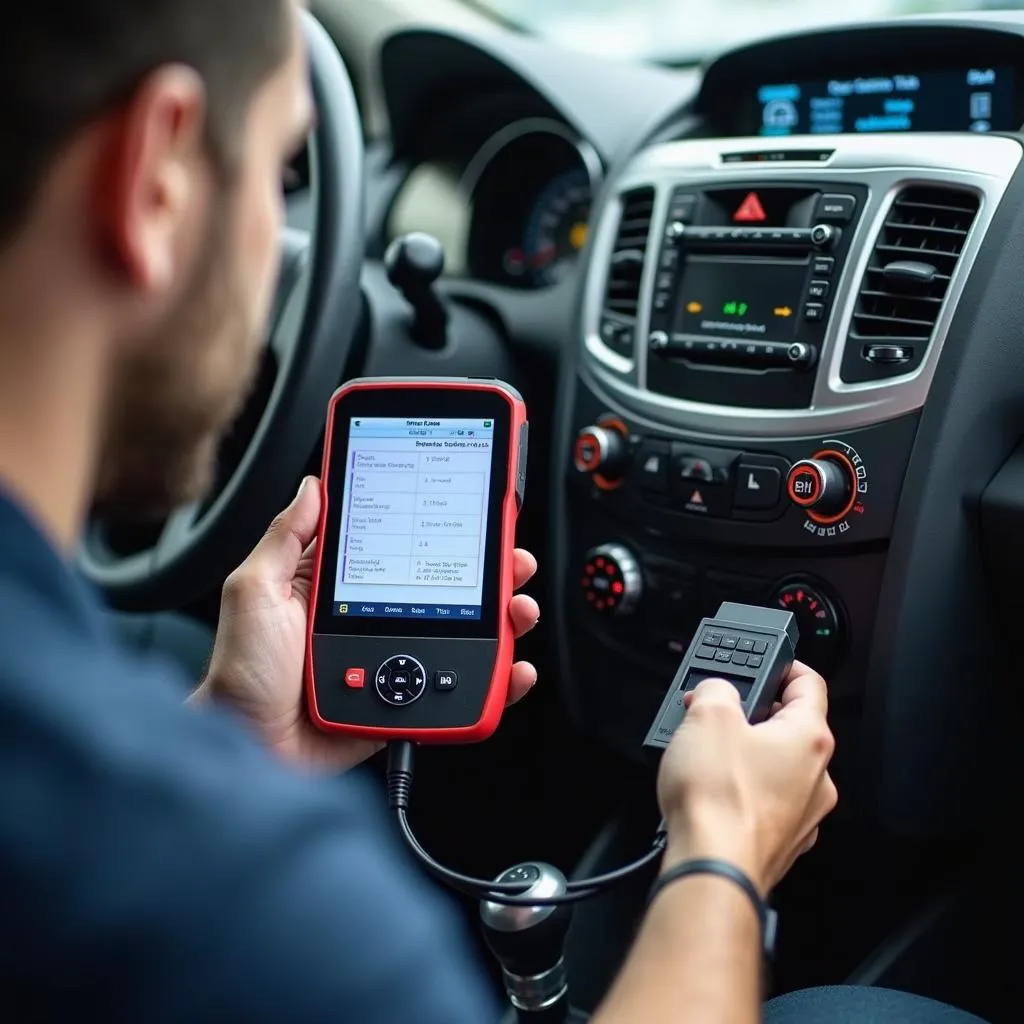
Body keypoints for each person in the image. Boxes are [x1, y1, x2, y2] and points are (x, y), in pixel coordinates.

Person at [0, 2, 985, 1021]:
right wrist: (721, 851)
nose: (278, 243)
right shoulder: (294, 920)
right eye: (282, 168)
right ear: (152, 176)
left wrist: (232, 748)